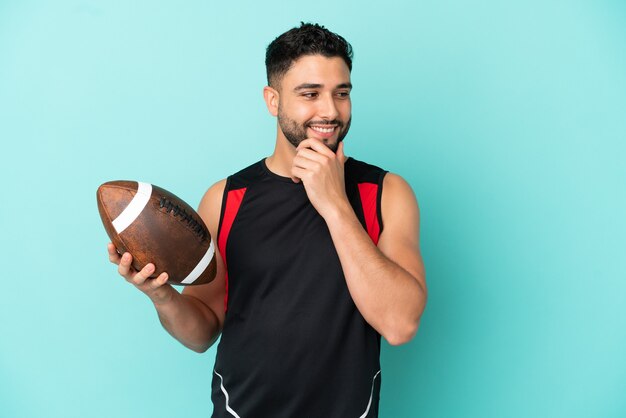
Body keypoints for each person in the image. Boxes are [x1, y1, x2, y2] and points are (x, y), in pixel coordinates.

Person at [107, 22, 427, 418]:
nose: (329, 110)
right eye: (310, 94)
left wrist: (334, 204)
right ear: (273, 100)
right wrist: (160, 294)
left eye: (341, 93)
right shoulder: (226, 198)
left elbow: (400, 324)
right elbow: (203, 330)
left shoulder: (385, 193)